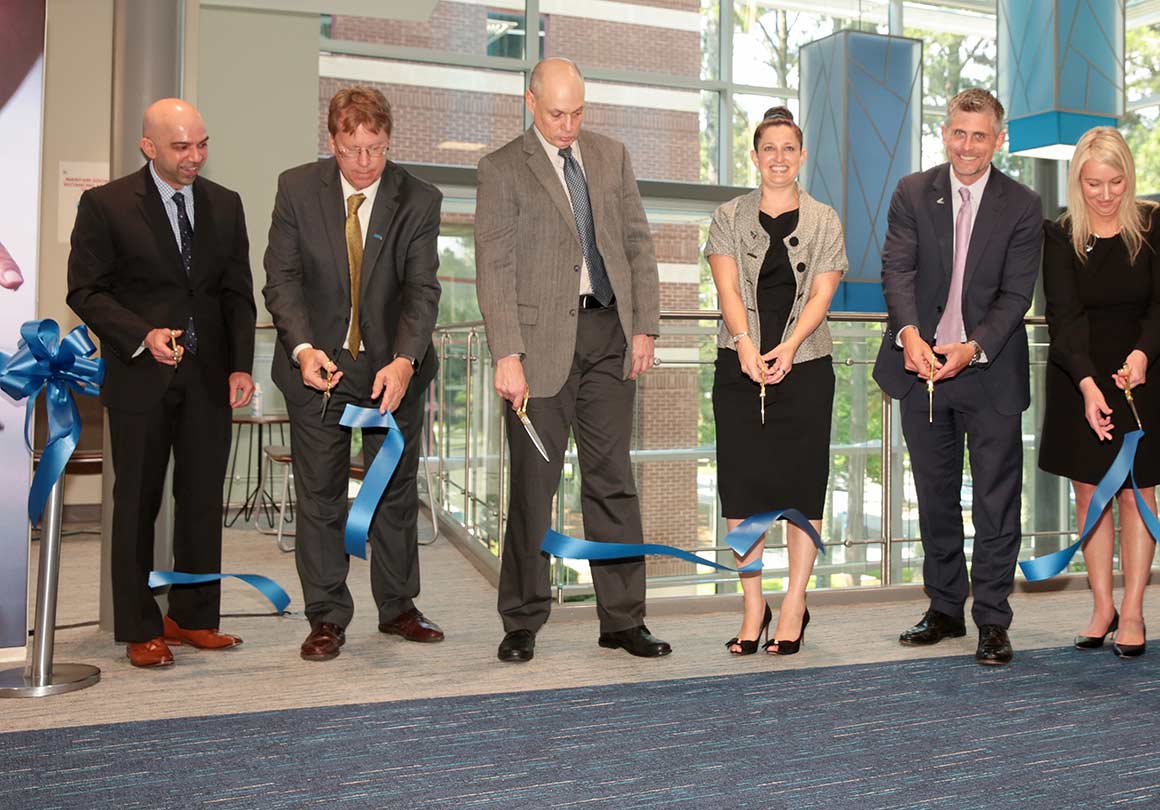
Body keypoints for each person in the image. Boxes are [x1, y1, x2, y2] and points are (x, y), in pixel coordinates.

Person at [474, 58, 668, 663]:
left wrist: (644, 329)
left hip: (609, 338)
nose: (567, 125)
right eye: (557, 113)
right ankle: (523, 619)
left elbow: (638, 244)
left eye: (577, 112)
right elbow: (494, 268)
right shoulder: (502, 168)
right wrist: (507, 353)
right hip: (537, 352)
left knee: (613, 482)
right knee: (534, 487)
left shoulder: (611, 155)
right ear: (530, 101)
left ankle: (622, 619)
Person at [67, 98, 256, 668]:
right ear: (148, 146)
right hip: (139, 379)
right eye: (181, 146)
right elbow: (86, 291)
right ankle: (140, 626)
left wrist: (240, 365)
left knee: (201, 502)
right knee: (137, 505)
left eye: (201, 144)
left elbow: (236, 294)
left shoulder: (226, 204)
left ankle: (195, 617)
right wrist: (142, 333)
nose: (194, 156)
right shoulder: (104, 205)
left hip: (207, 381)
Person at [262, 86, 445, 662]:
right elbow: (281, 281)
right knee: (320, 496)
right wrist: (303, 349)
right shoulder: (296, 189)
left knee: (393, 489)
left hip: (393, 370)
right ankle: (326, 617)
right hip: (319, 368)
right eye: (351, 150)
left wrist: (404, 359)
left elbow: (421, 288)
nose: (364, 163)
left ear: (389, 141)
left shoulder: (418, 198)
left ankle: (397, 607)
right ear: (332, 140)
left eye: (376, 149)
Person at [873, 88, 1043, 666]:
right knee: (936, 498)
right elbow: (896, 269)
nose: (967, 145)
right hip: (921, 368)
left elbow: (1017, 293)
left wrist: (973, 348)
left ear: (999, 140)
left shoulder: (1022, 203)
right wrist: (911, 335)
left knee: (997, 501)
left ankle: (992, 618)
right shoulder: (913, 192)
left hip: (988, 371)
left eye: (980, 135)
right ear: (945, 134)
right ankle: (945, 608)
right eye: (958, 133)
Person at [1038, 127, 1160, 659]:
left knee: (1136, 494)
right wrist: (1085, 383)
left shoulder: (1154, 222)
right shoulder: (1059, 235)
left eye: (1115, 182)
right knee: (1090, 492)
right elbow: (1064, 315)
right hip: (1080, 372)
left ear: (1129, 176)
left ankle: (1136, 609)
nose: (1104, 194)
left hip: (1142, 370)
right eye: (1093, 183)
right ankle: (1102, 606)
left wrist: (1143, 356)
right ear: (1078, 181)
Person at [705, 107, 846, 656]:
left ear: (802, 155)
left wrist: (787, 348)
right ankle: (752, 606)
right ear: (755, 155)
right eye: (770, 148)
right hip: (737, 368)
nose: (779, 157)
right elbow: (728, 292)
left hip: (806, 368)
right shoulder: (728, 216)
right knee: (743, 489)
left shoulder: (824, 221)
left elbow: (822, 296)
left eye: (789, 148)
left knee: (801, 489)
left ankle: (793, 604)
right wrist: (745, 344)